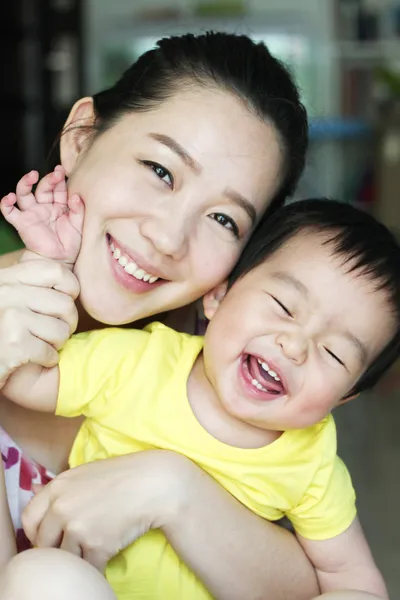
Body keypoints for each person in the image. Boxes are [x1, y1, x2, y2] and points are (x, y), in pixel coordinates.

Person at [0, 31, 318, 599]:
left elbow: (317, 588)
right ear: (80, 138)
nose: (169, 238)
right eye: (161, 170)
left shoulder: (228, 373)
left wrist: (175, 489)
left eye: (224, 220)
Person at [1, 182, 398, 599]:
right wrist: (48, 269)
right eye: (283, 306)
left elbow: (355, 583)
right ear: (220, 295)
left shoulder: (311, 462)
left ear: (343, 399)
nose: (295, 346)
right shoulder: (138, 360)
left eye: (334, 354)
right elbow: (23, 377)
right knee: (40, 575)